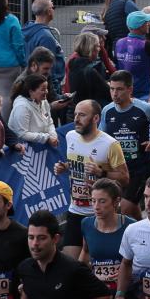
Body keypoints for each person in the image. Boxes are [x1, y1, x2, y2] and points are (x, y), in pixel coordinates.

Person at [57, 100, 131, 242]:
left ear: (96, 118)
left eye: (82, 115)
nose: (76, 119)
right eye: (75, 114)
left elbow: (125, 178)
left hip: (101, 212)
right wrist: (65, 167)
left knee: (98, 258)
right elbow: (77, 163)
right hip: (75, 210)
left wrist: (101, 173)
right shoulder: (70, 136)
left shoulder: (110, 144)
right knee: (71, 260)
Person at [103, 71, 150, 203]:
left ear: (130, 89)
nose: (114, 93)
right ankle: (139, 223)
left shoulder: (145, 108)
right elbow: (102, 136)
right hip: (118, 169)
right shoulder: (107, 110)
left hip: (139, 168)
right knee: (126, 208)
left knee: (125, 206)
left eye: (119, 89)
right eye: (112, 89)